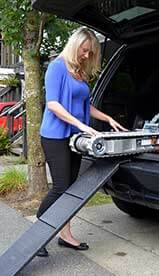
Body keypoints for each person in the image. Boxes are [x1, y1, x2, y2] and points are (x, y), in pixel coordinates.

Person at [36, 27, 127, 257]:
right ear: (75, 46)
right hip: (56, 136)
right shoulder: (57, 66)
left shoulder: (79, 72)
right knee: (60, 188)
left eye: (91, 53)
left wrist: (107, 118)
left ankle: (65, 234)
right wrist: (83, 125)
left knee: (71, 188)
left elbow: (85, 106)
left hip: (75, 137)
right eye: (84, 51)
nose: (87, 56)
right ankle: (39, 230)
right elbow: (53, 104)